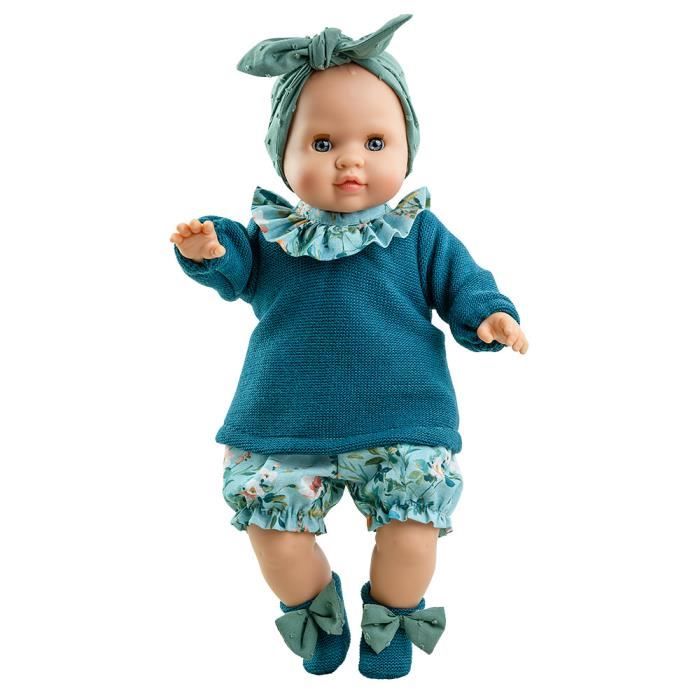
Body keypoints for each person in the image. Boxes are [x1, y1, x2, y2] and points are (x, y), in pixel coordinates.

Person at [170, 14, 528, 679]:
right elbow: (236, 262)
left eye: (375, 141)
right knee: (275, 539)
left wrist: (489, 317)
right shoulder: (274, 234)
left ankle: (391, 618)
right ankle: (316, 607)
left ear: (406, 148)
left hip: (404, 420)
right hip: (283, 421)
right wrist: (211, 248)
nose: (350, 159)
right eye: (323, 141)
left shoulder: (417, 233)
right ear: (283, 153)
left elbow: (464, 283)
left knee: (412, 536)